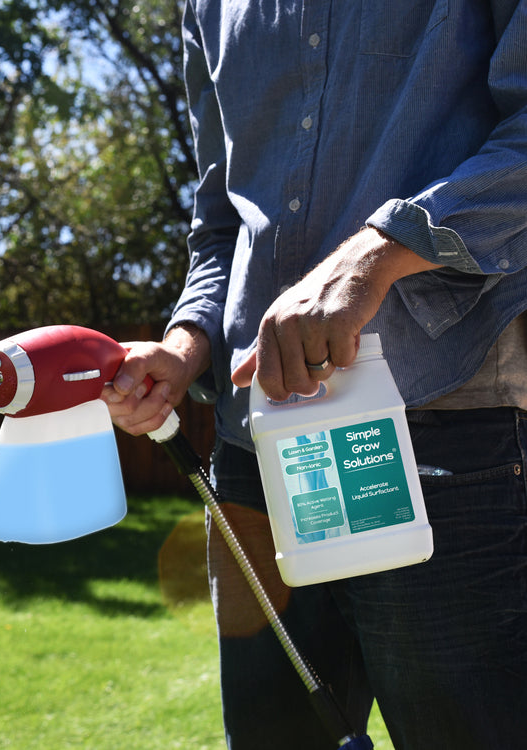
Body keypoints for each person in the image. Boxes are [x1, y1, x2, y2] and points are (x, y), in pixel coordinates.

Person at [101, 2, 527, 748]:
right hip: (256, 454)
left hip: (446, 425)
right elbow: (219, 221)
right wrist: (183, 344)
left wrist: (379, 253)